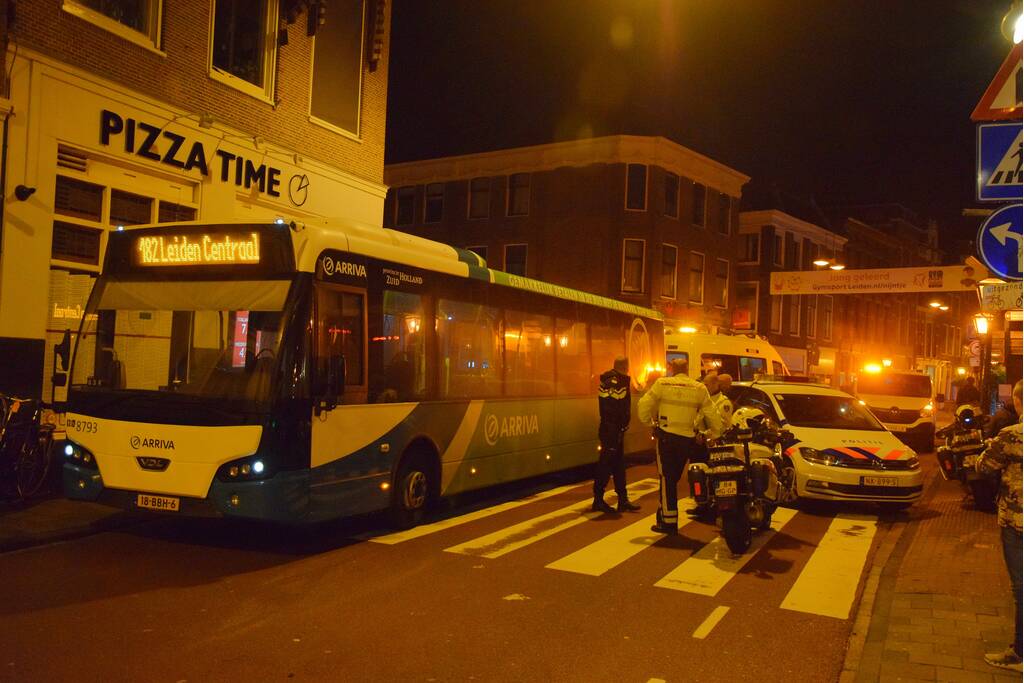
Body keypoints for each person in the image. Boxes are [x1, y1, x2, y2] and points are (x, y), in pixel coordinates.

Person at [638, 357, 722, 535]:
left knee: (667, 479)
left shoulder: (662, 384)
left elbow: (643, 406)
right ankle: (665, 513)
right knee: (674, 477)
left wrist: (650, 423)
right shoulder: (699, 388)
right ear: (687, 368)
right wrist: (713, 434)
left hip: (667, 438)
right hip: (687, 439)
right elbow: (712, 414)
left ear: (671, 368)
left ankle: (668, 521)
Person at [977, 379, 1023, 673]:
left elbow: (984, 466)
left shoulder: (1011, 436)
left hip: (1017, 521)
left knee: (1021, 587)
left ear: (1019, 402)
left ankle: (1019, 652)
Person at [593, 357, 641, 513]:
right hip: (613, 431)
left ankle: (622, 499)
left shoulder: (606, 380)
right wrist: (622, 425)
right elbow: (618, 408)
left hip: (611, 430)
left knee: (619, 466)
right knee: (606, 465)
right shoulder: (617, 382)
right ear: (625, 367)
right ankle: (598, 500)